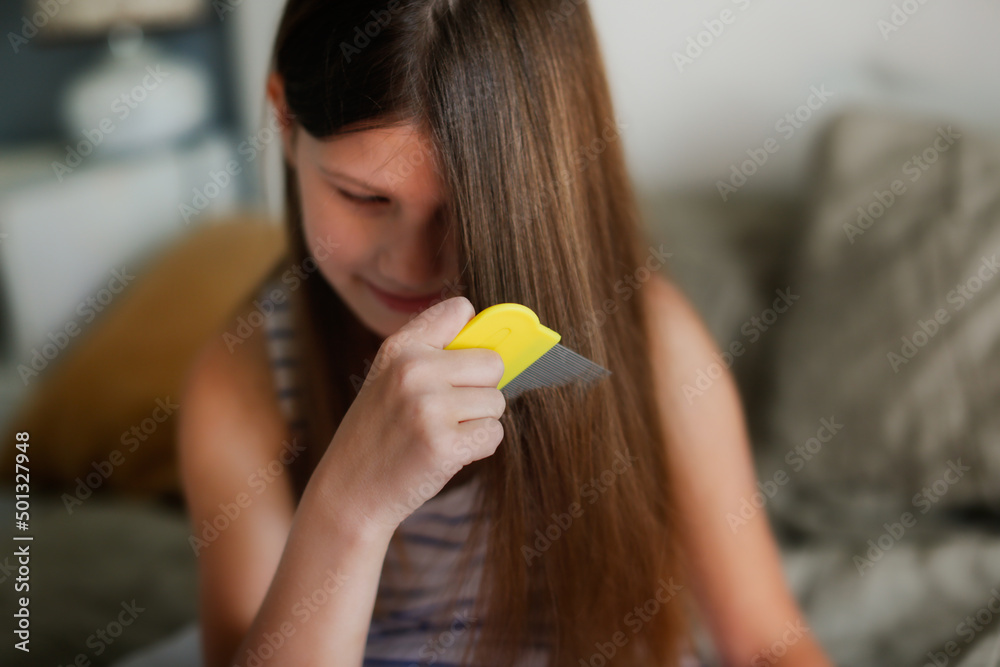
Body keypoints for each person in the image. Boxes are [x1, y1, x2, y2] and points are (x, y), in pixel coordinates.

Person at [128, 1, 839, 666]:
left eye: (463, 211)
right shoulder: (247, 377)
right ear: (283, 122)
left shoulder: (649, 342)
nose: (411, 266)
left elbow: (767, 643)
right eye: (364, 197)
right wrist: (348, 510)